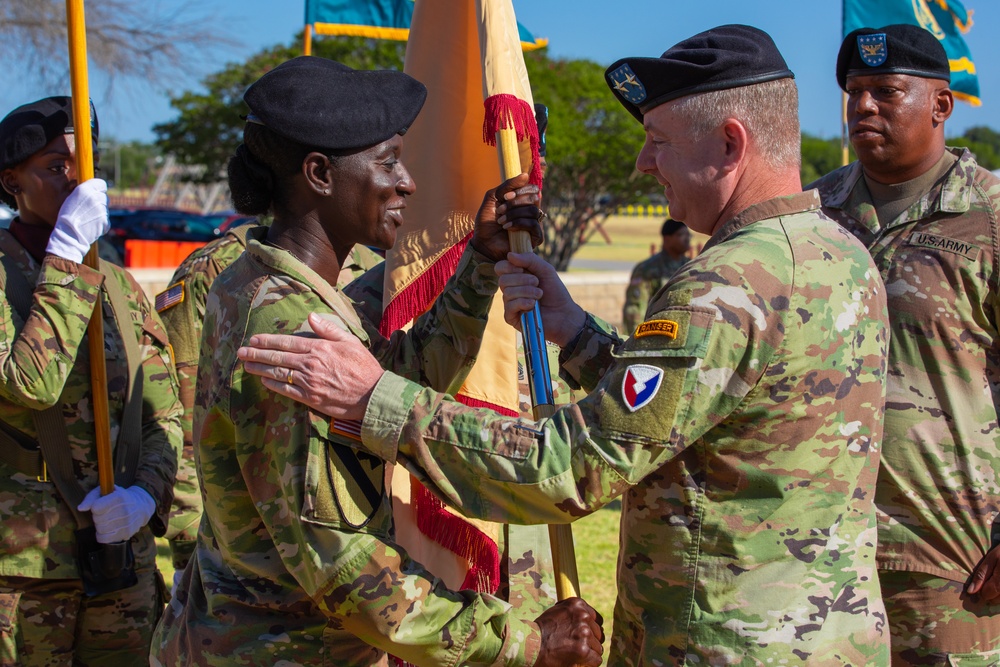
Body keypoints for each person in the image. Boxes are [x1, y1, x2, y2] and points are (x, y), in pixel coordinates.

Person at [238, 26, 892, 666]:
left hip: (724, 640)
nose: (642, 164)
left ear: (728, 144)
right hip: (826, 632)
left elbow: (577, 464)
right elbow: (708, 415)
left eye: (658, 142)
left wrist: (376, 399)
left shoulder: (726, 285)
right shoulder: (841, 254)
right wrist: (577, 334)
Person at [150, 56, 602, 667]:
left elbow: (393, 386)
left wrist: (479, 264)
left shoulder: (267, 283)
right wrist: (524, 644)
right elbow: (342, 565)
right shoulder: (294, 329)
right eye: (387, 162)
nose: (408, 182)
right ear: (319, 173)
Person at [808, 24, 1000, 665]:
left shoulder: (991, 218)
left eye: (885, 92)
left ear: (941, 105)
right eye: (854, 92)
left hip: (953, 563)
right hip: (819, 552)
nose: (862, 107)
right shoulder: (811, 216)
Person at [0, 96, 182, 665]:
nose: (78, 183)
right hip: (22, 574)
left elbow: (165, 413)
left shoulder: (123, 288)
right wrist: (68, 260)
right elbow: (30, 384)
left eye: (86, 165)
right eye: (56, 167)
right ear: (12, 181)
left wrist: (146, 493)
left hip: (120, 565)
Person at [156, 219, 383, 578]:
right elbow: (187, 408)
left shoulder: (372, 267)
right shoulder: (218, 268)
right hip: (247, 534)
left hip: (346, 513)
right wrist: (186, 539)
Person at [621, 218, 691, 331]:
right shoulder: (647, 269)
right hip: (656, 333)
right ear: (667, 239)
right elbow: (635, 308)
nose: (687, 239)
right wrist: (634, 341)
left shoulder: (691, 266)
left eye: (688, 235)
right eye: (681, 235)